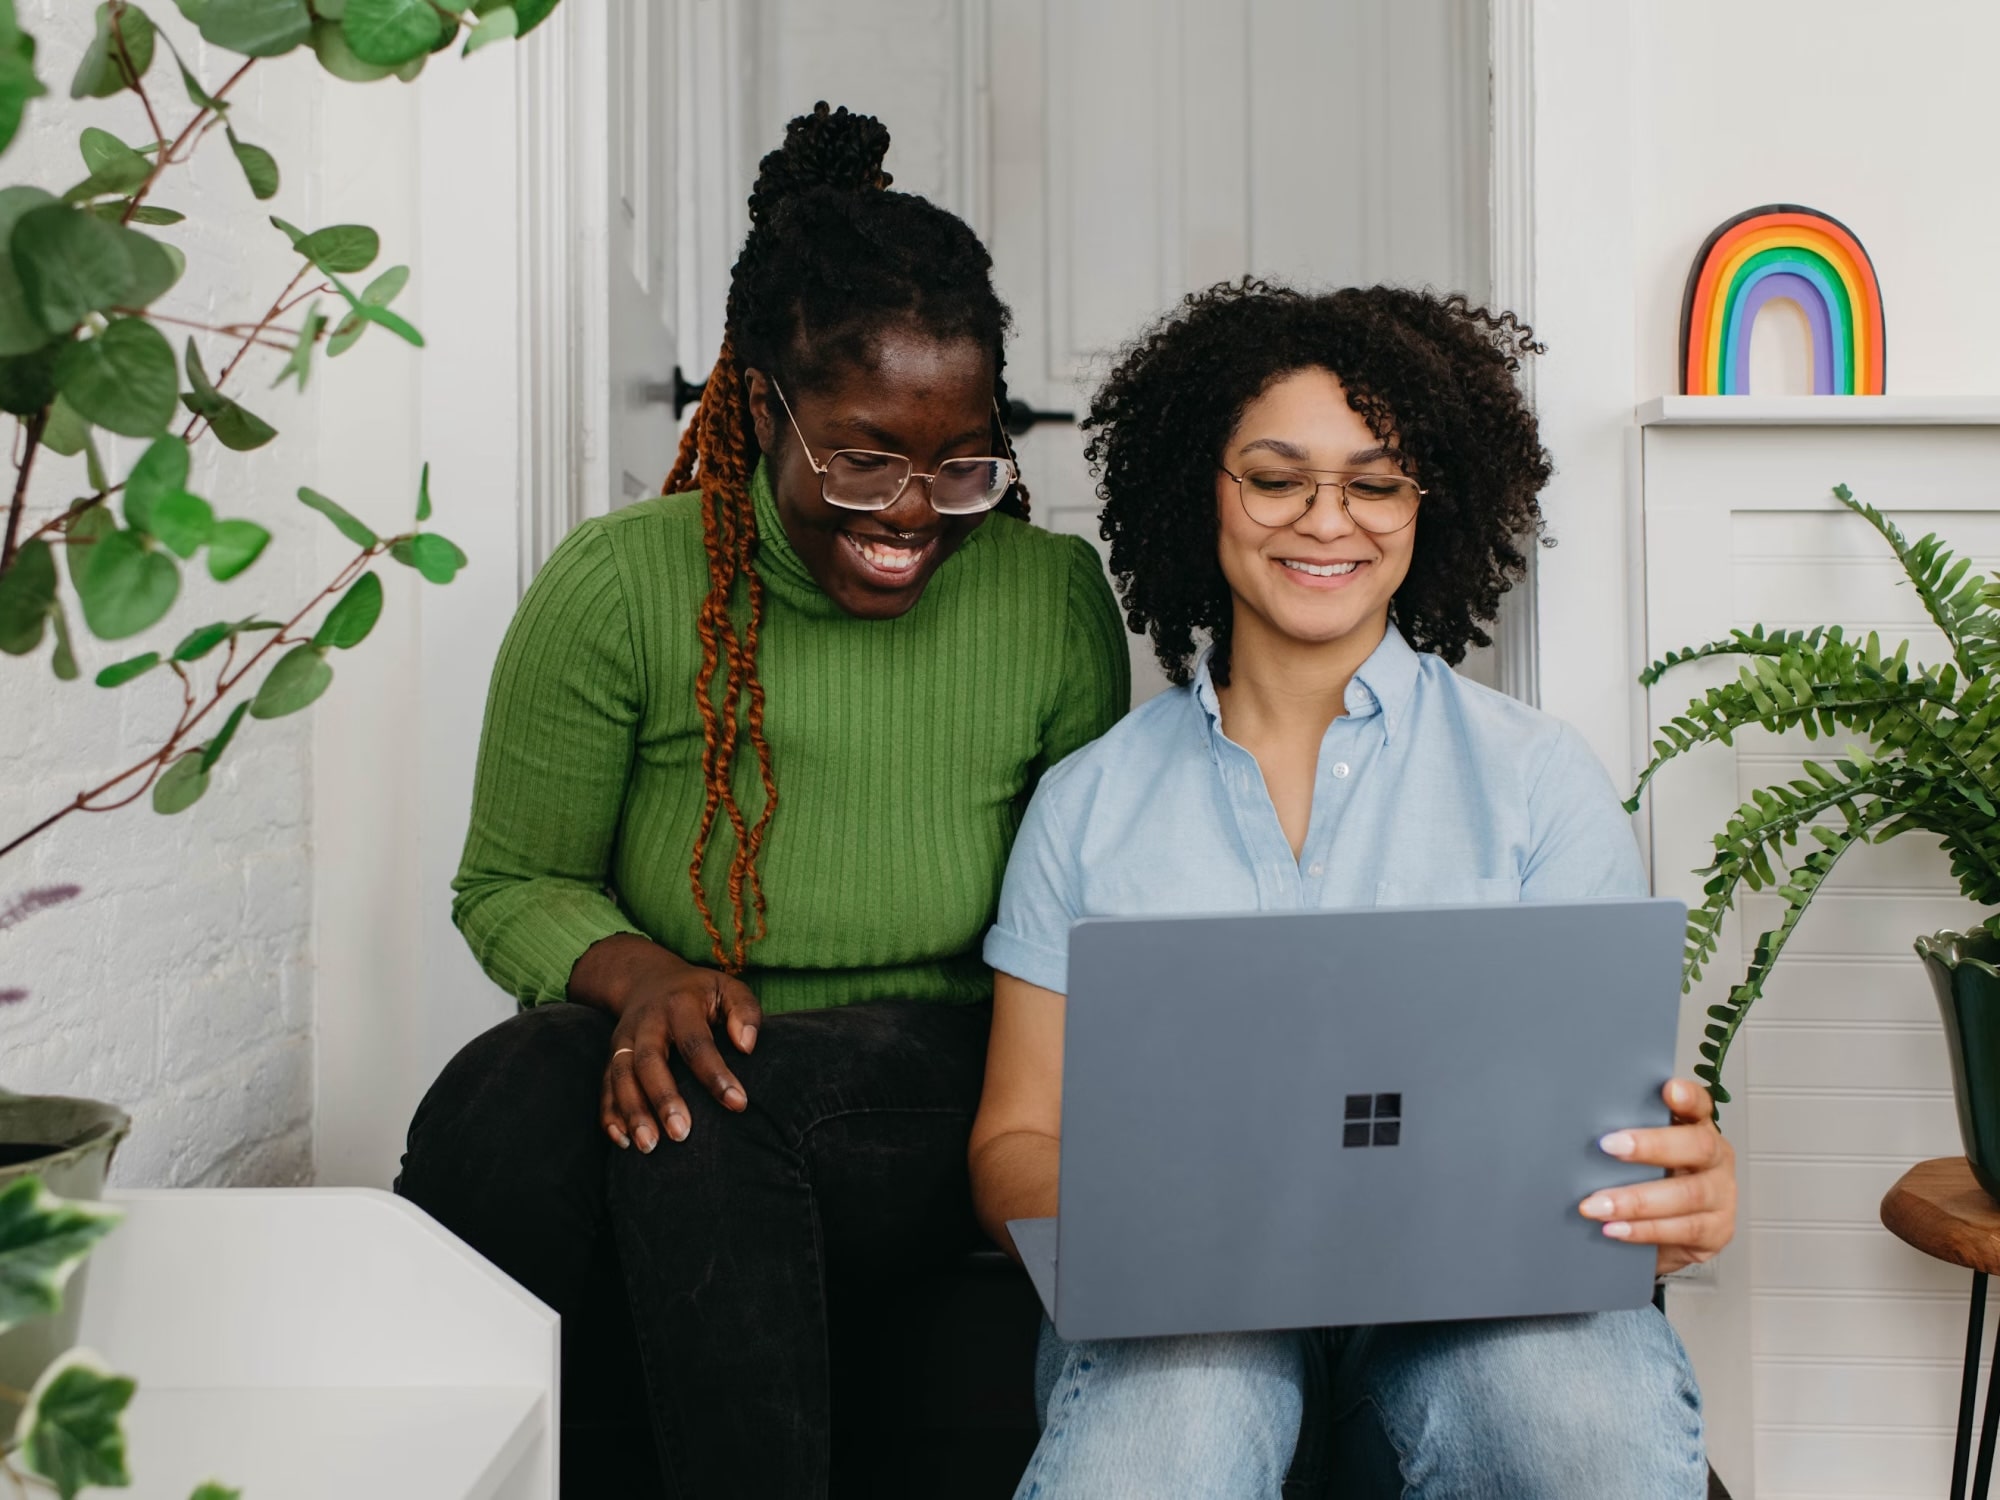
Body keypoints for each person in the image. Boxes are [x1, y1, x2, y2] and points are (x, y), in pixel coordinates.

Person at [395, 103, 1129, 1499]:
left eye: (961, 461)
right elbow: (508, 883)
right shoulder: (619, 585)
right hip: (675, 1020)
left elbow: (1087, 911)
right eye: (861, 456)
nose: (913, 510)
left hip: (935, 1067)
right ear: (755, 405)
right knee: (505, 1089)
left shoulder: (1048, 600)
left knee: (716, 1100)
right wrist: (645, 976)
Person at [967, 281, 1736, 1499]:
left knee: (1571, 1418)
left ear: (1429, 503)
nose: (1327, 521)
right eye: (1276, 477)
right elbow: (1012, 1137)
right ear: (1199, 491)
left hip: (1472, 1299)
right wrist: (1145, 1210)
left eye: (1374, 482)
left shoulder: (1537, 783)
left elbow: (1619, 1130)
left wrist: (1678, 1184)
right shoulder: (1088, 802)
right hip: (1183, 1304)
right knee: (1172, 1426)